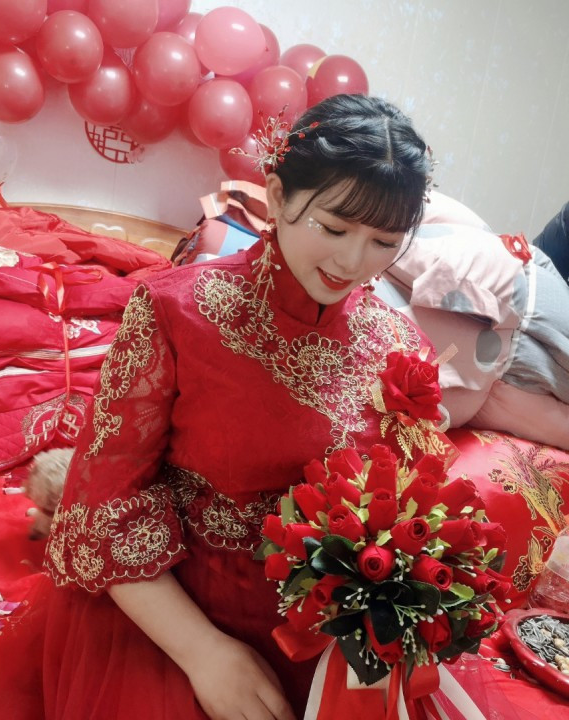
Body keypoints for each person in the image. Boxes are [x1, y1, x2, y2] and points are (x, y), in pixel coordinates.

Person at [42, 94, 434, 720]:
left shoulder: (401, 346)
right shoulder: (175, 312)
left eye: (383, 241)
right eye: (334, 228)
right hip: (179, 609)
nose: (352, 262)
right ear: (277, 197)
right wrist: (203, 654)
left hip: (333, 633)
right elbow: (101, 509)